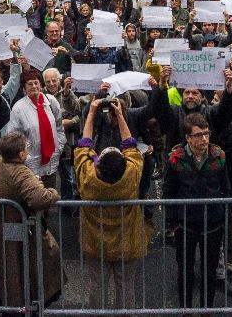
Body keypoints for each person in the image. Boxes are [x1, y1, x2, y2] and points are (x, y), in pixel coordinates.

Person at [74, 96, 152, 309]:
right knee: (126, 288)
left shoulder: (88, 179)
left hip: (95, 244)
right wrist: (120, 114)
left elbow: (84, 145)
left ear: (97, 167)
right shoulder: (131, 176)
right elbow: (131, 145)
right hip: (127, 243)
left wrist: (91, 112)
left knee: (97, 287)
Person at [0, 131, 61, 310]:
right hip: (18, 227)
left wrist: (32, 183)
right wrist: (53, 193)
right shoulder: (20, 171)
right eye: (25, 148)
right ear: (21, 154)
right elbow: (40, 198)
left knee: (10, 269)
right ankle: (26, 305)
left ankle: (13, 303)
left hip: (0, 224)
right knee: (25, 268)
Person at [163, 112, 230, 310]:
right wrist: (173, 223)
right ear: (188, 138)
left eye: (206, 134)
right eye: (199, 135)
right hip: (186, 225)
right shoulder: (175, 159)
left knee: (209, 272)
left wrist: (222, 215)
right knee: (185, 270)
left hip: (213, 224)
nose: (204, 139)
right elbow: (168, 192)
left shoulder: (219, 156)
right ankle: (186, 309)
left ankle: (206, 310)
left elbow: (227, 189)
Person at [4, 69, 66, 187]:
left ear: (40, 84)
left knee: (51, 198)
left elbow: (59, 127)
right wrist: (27, 158)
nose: (34, 86)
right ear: (24, 87)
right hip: (31, 167)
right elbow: (13, 138)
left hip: (52, 163)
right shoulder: (19, 109)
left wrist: (59, 147)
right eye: (30, 84)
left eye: (36, 83)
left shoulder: (51, 102)